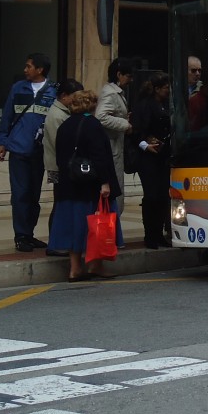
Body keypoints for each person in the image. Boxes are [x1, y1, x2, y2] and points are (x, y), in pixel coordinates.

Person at [49, 89, 120, 281]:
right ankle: (96, 265)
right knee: (96, 227)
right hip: (90, 186)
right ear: (91, 105)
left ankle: (75, 269)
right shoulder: (92, 125)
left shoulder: (65, 126)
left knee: (75, 227)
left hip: (70, 185)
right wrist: (105, 183)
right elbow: (99, 156)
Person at [0, 52, 58, 253]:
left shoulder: (53, 90)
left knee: (33, 195)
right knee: (20, 194)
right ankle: (21, 236)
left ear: (40, 69)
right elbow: (7, 116)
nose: (25, 69)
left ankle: (29, 234)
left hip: (40, 151)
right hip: (19, 149)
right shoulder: (18, 88)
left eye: (29, 66)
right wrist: (1, 142)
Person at [131, 72, 173, 248]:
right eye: (165, 88)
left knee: (163, 196)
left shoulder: (165, 105)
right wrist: (145, 145)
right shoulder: (144, 106)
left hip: (163, 156)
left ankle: (159, 233)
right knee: (151, 196)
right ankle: (150, 235)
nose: (168, 91)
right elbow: (136, 132)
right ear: (156, 89)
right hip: (148, 157)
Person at [43, 78, 83, 256]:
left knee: (61, 203)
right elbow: (61, 144)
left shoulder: (64, 112)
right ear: (64, 96)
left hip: (62, 166)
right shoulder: (58, 115)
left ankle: (59, 241)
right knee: (60, 204)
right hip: (59, 168)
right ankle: (55, 243)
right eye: (74, 97)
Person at [95, 57, 133, 221]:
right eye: (128, 76)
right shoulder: (110, 93)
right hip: (112, 149)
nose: (130, 80)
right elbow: (101, 116)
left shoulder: (117, 93)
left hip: (116, 147)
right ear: (119, 74)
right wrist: (124, 124)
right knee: (115, 191)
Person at [186, 55, 208, 131]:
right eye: (193, 70)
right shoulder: (176, 89)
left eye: (199, 70)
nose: (198, 73)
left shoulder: (204, 89)